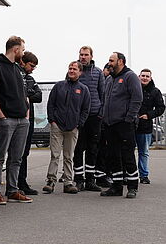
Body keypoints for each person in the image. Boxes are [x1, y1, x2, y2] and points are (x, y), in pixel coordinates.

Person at [0, 36, 33, 204]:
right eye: (22, 49)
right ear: (15, 49)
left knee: (17, 157)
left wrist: (26, 113)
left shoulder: (18, 69)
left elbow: (24, 93)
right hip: (7, 120)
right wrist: (2, 117)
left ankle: (13, 190)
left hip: (22, 120)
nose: (23, 52)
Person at [43, 61, 90, 194]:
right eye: (70, 68)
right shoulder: (59, 86)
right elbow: (51, 104)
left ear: (80, 72)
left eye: (75, 69)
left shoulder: (83, 89)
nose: (71, 71)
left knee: (69, 156)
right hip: (57, 126)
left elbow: (86, 109)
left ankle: (68, 182)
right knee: (55, 154)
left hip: (72, 128)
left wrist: (78, 124)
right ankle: (51, 181)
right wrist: (52, 120)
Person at [100, 52, 143, 199]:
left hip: (124, 124)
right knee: (113, 156)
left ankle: (132, 187)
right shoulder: (109, 80)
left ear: (121, 61)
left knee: (127, 156)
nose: (109, 63)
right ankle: (116, 187)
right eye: (109, 60)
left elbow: (137, 98)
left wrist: (129, 118)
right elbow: (105, 100)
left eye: (112, 60)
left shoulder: (130, 77)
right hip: (109, 124)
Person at [72, 46, 106, 192]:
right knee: (78, 149)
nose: (83, 57)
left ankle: (90, 180)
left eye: (86, 55)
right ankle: (79, 180)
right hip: (79, 117)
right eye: (81, 55)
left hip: (94, 116)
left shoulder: (98, 72)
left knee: (93, 149)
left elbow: (103, 94)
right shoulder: (74, 71)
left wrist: (100, 113)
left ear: (91, 56)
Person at [135, 68, 165, 184]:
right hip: (131, 126)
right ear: (139, 76)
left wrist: (149, 115)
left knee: (143, 152)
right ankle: (128, 175)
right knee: (128, 152)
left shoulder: (155, 92)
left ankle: (143, 175)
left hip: (145, 127)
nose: (145, 78)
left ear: (150, 78)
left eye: (147, 76)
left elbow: (161, 108)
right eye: (143, 76)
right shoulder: (133, 88)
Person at [18, 51, 42, 195]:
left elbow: (38, 96)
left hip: (30, 119)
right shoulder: (17, 76)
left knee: (25, 152)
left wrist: (27, 94)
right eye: (31, 66)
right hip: (19, 119)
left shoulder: (31, 79)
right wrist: (27, 94)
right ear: (23, 63)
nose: (32, 69)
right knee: (17, 153)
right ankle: (16, 182)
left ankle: (23, 181)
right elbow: (19, 94)